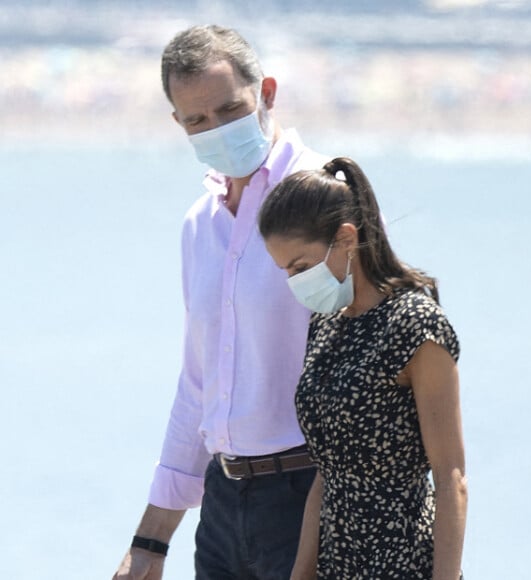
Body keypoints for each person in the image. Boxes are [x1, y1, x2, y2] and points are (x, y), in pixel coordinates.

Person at [113, 25, 328, 580]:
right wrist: (150, 541)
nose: (217, 129)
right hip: (222, 505)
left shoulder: (327, 197)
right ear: (179, 124)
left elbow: (380, 365)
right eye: (197, 120)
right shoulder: (198, 224)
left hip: (310, 498)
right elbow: (200, 383)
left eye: (230, 110)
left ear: (268, 93)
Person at [258, 157, 468, 580]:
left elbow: (451, 478)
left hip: (403, 561)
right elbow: (328, 469)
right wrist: (302, 572)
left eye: (300, 267)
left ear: (346, 239)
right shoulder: (326, 323)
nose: (294, 282)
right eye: (286, 271)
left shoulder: (415, 324)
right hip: (337, 562)